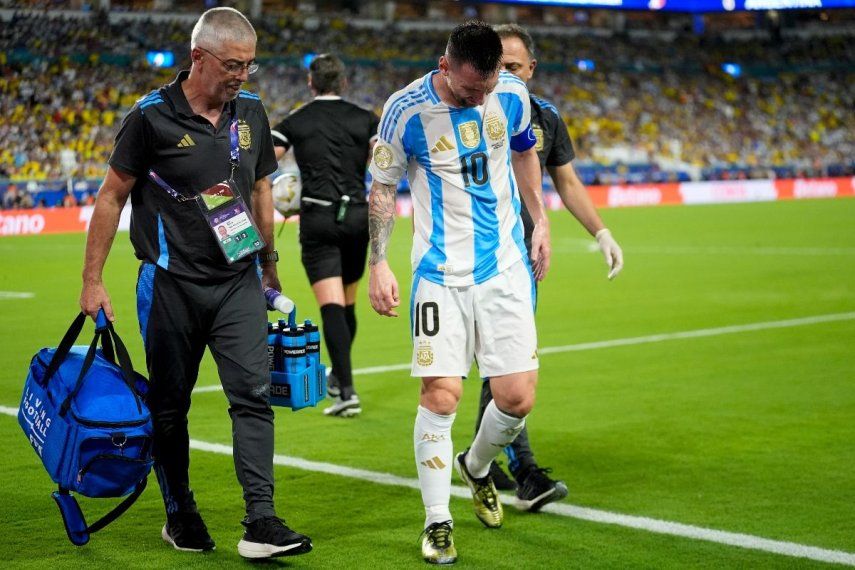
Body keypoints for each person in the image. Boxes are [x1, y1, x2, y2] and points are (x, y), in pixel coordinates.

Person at [78, 7, 312, 560]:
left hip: (238, 281)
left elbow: (261, 187)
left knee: (253, 396)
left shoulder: (251, 110)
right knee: (169, 406)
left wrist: (269, 262)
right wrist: (92, 280)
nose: (241, 76)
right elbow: (111, 197)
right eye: (232, 65)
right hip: (170, 285)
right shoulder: (150, 117)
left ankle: (261, 521)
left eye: (249, 65)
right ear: (198, 57)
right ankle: (179, 512)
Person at [367, 21, 551, 565]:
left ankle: (475, 466)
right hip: (439, 273)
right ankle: (437, 521)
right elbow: (382, 189)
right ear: (444, 66)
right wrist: (378, 261)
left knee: (516, 398)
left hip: (504, 267)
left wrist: (539, 218)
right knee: (441, 395)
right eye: (470, 90)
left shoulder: (511, 95)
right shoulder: (405, 110)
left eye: (486, 88)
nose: (478, 98)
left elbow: (524, 151)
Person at [470, 23, 625, 512]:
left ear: (531, 69)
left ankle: (495, 462)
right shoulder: (465, 109)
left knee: (508, 363)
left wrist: (601, 232)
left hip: (520, 257)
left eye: (513, 67)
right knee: (498, 365)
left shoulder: (544, 118)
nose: (504, 75)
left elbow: (568, 182)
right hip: (469, 257)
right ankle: (509, 466)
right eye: (496, 66)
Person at [271, 54, 379, 418]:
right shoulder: (365, 118)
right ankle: (339, 379)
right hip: (358, 216)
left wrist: (281, 192)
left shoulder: (297, 120)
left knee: (331, 305)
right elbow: (385, 159)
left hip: (318, 218)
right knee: (347, 303)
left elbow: (265, 158)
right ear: (343, 83)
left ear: (310, 83)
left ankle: (346, 390)